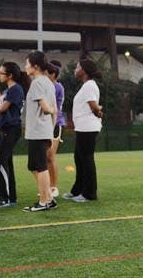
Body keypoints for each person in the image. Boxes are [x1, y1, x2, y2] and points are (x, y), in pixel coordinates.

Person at [63, 59, 103, 203]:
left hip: (88, 127)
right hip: (83, 127)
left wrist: (99, 113)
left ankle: (89, 194)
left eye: (78, 67)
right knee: (79, 159)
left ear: (84, 71)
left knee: (86, 159)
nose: (75, 69)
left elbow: (94, 106)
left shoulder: (89, 86)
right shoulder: (86, 86)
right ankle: (78, 190)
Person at [0, 62, 28, 208]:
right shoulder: (7, 91)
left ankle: (3, 197)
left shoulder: (15, 89)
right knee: (6, 162)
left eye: (1, 73)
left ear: (10, 75)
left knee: (1, 161)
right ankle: (11, 197)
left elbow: (1, 109)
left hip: (11, 129)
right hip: (5, 128)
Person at [23, 51, 57, 212]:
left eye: (27, 64)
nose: (25, 67)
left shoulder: (37, 83)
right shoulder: (49, 82)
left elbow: (47, 108)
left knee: (41, 167)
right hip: (42, 130)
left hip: (38, 131)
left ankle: (44, 201)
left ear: (35, 66)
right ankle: (48, 197)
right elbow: (55, 110)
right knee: (34, 166)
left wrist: (48, 111)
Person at [44, 60, 65, 199]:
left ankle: (53, 187)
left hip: (55, 123)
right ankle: (46, 186)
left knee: (50, 156)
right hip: (46, 124)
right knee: (45, 157)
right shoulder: (48, 86)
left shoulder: (56, 87)